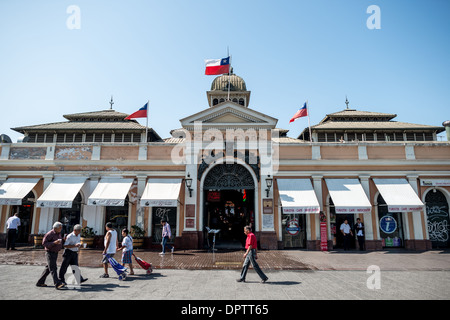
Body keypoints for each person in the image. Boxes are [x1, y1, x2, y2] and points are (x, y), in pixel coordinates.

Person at [36, 222, 65, 289]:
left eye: (61, 227)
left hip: (55, 252)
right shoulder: (50, 234)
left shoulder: (59, 233)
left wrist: (63, 240)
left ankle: (40, 282)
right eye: (60, 227)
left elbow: (60, 242)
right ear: (55, 228)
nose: (61, 229)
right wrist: (53, 243)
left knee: (48, 268)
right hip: (50, 252)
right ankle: (57, 283)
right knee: (53, 268)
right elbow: (44, 243)